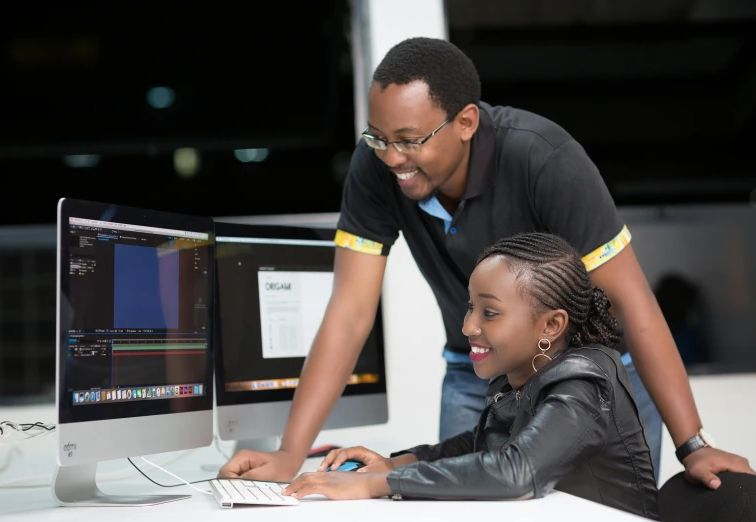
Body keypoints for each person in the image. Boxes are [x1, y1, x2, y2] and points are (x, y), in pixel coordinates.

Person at [219, 37, 753, 488]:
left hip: (581, 378)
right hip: (476, 372)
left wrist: (692, 444)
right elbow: (350, 312)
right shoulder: (378, 166)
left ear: (467, 122)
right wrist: (291, 454)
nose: (391, 158)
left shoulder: (544, 159)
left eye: (408, 141)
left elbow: (633, 304)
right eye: (377, 138)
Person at [281, 233, 660, 520]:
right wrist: (395, 464)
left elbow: (517, 470)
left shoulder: (583, 386)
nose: (468, 327)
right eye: (470, 307)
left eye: (489, 313)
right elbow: (486, 442)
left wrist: (373, 483)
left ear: (551, 325)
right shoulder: (523, 371)